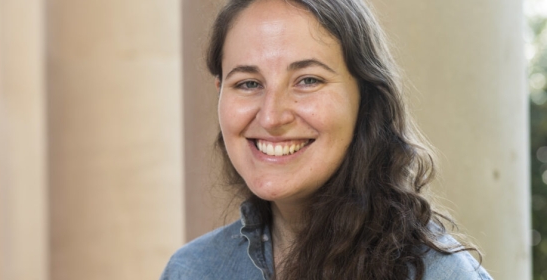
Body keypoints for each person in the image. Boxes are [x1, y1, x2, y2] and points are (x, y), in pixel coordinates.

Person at [161, 0, 493, 279]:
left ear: (365, 96)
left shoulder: (442, 275)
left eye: (307, 80)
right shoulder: (193, 270)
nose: (271, 117)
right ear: (220, 94)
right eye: (248, 83)